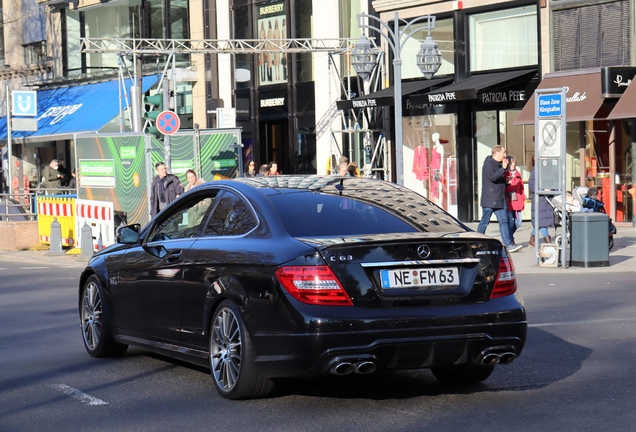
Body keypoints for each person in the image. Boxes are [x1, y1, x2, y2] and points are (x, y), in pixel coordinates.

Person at [477, 146, 521, 252]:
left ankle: (508, 244)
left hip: (500, 199)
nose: (505, 155)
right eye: (503, 152)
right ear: (497, 153)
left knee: (504, 221)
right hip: (490, 199)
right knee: (484, 221)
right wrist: (503, 169)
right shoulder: (488, 163)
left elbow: (499, 178)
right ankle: (477, 241)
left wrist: (506, 181)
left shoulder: (501, 165)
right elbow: (492, 177)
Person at [528, 161, 554, 246]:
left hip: (547, 199)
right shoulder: (536, 170)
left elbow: (554, 183)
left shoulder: (551, 169)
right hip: (539, 199)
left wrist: (551, 190)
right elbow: (531, 185)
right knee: (542, 223)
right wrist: (542, 190)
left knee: (539, 222)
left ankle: (532, 238)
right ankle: (548, 242)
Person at [505, 155, 525, 245]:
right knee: (509, 222)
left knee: (519, 221)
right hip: (509, 201)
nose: (514, 164)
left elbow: (521, 187)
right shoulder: (506, 174)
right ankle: (510, 239)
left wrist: (523, 197)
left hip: (518, 201)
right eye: (512, 163)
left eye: (514, 163)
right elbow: (506, 188)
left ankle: (508, 236)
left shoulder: (517, 173)